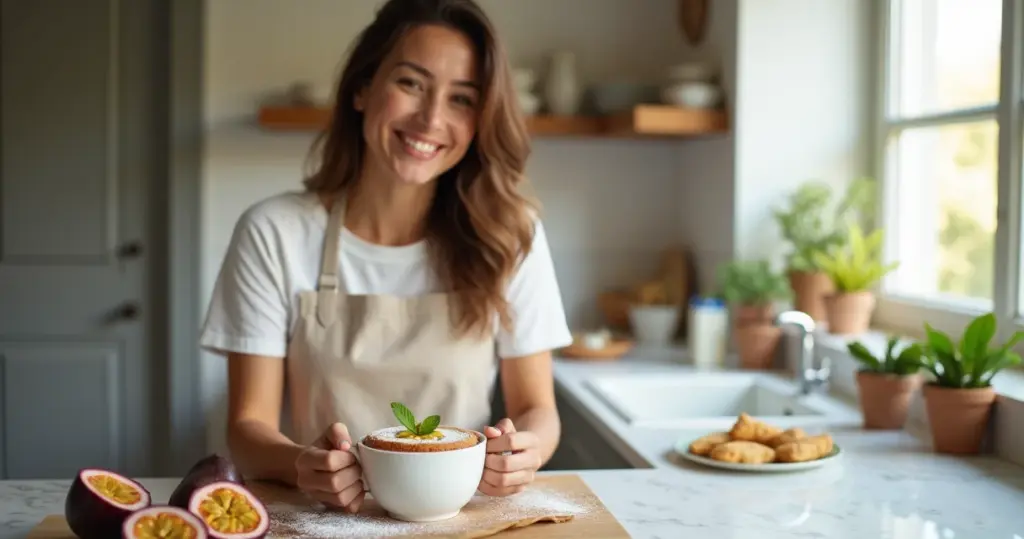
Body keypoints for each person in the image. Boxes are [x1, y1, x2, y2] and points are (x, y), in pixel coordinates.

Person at [199, 0, 573, 515]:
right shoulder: (274, 232)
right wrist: (301, 465)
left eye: (462, 98)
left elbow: (538, 410)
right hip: (323, 516)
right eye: (411, 84)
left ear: (480, 121)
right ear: (361, 88)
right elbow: (247, 428)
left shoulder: (512, 235)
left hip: (457, 520)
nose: (432, 118)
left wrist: (525, 450)